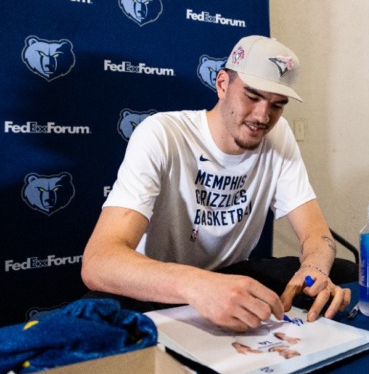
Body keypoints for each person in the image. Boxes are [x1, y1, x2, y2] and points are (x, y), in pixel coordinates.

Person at [82, 35, 353, 332]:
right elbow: (99, 261)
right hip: (161, 287)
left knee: (343, 272)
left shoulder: (278, 135)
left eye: (277, 105)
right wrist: (199, 285)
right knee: (92, 313)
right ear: (222, 84)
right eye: (252, 96)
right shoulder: (161, 134)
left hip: (230, 276)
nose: (263, 116)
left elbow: (316, 233)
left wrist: (313, 271)